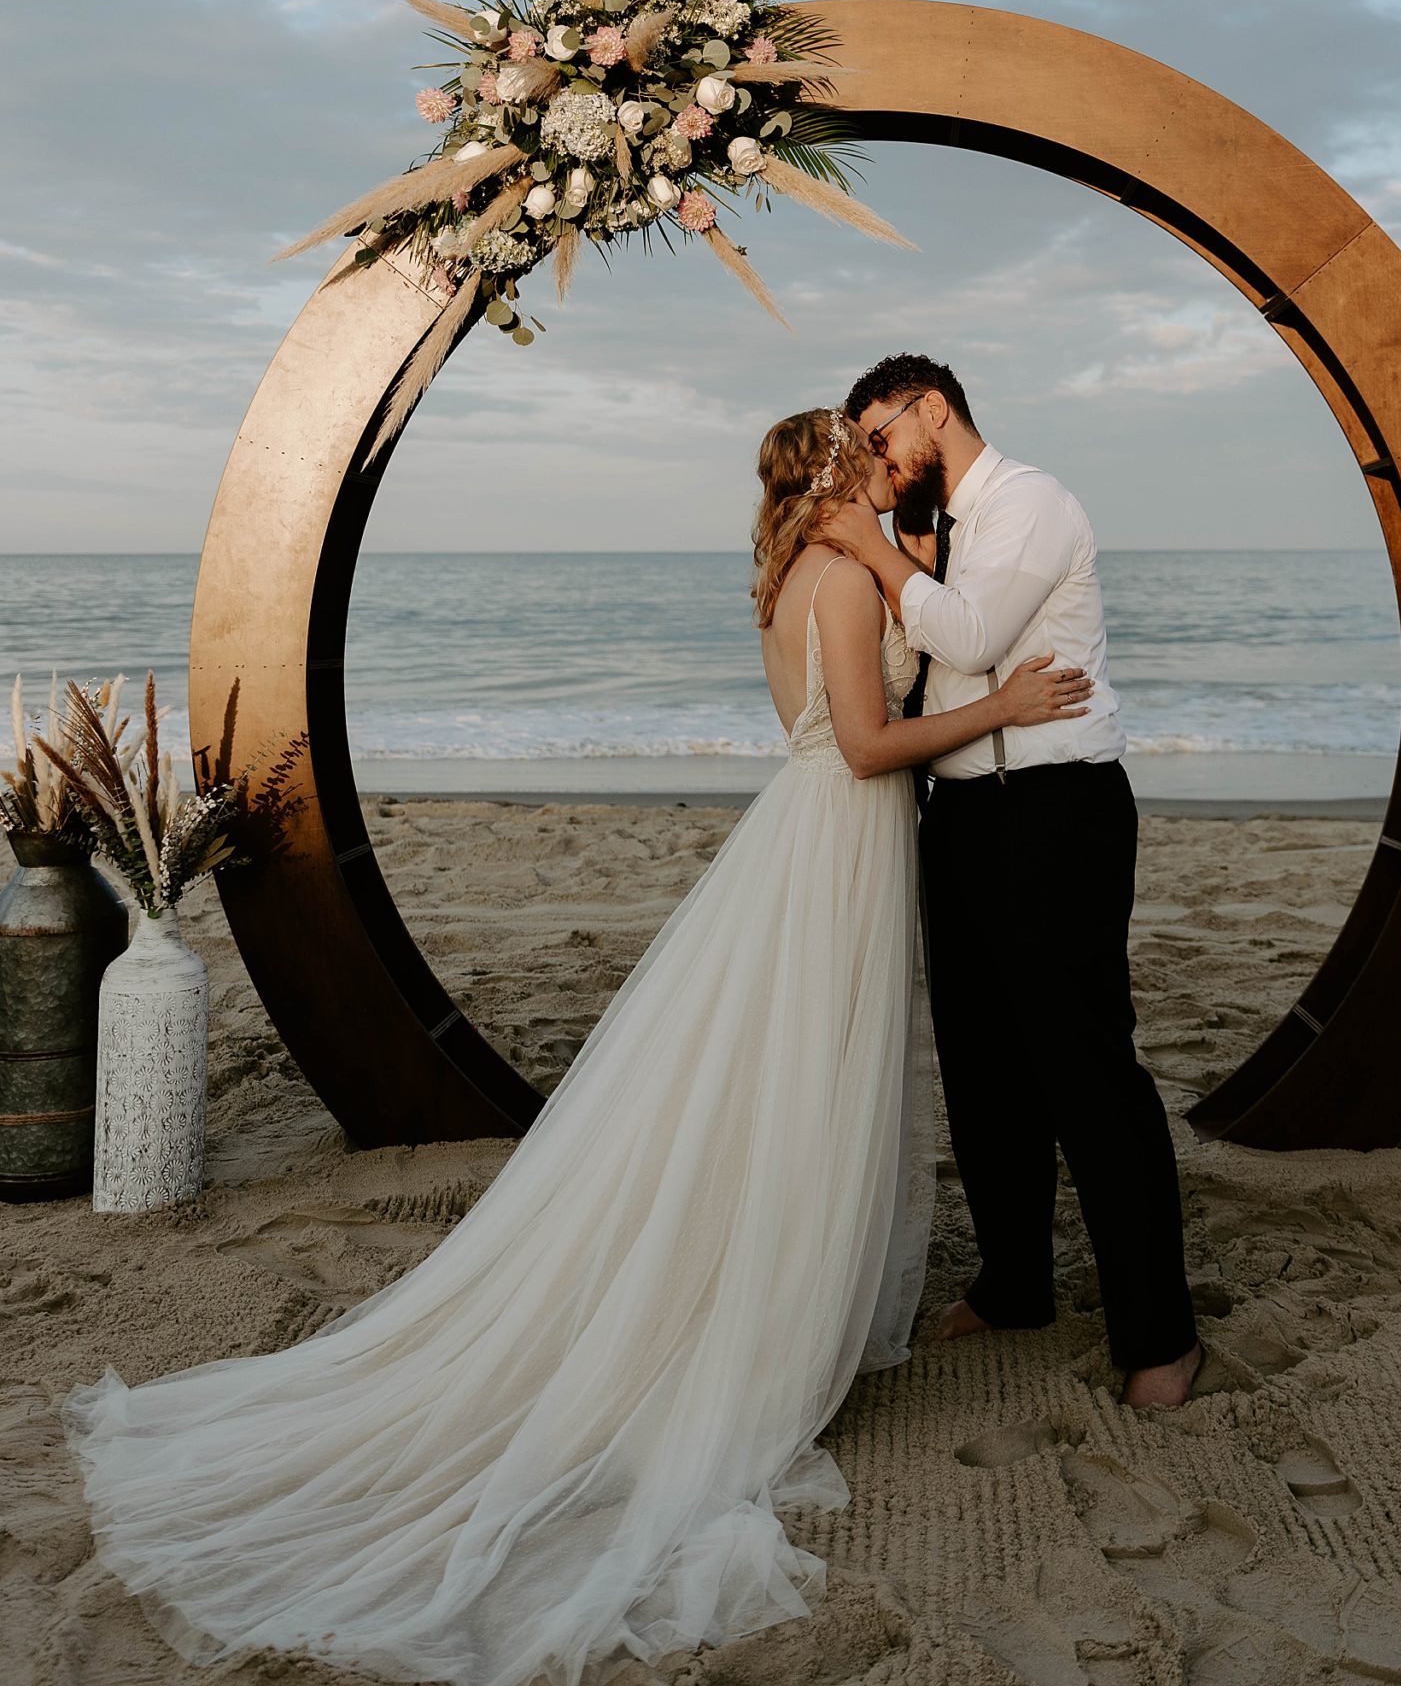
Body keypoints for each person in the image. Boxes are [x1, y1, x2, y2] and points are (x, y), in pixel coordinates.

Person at [61, 407, 1092, 1686]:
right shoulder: (837, 579)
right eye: (871, 458)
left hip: (820, 831)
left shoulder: (792, 575)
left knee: (787, 1076)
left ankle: (771, 1292)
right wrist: (1010, 699)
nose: (893, 468)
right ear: (836, 481)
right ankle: (761, 1330)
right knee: (804, 1085)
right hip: (840, 837)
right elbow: (873, 745)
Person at [819, 353, 1202, 1410]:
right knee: (981, 1068)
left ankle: (1160, 1334)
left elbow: (976, 635)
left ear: (931, 409)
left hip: (1056, 809)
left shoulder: (1032, 500)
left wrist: (881, 558)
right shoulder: (930, 532)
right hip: (958, 815)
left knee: (1085, 1067)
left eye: (877, 436)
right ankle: (1016, 1281)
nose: (874, 462)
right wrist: (899, 559)